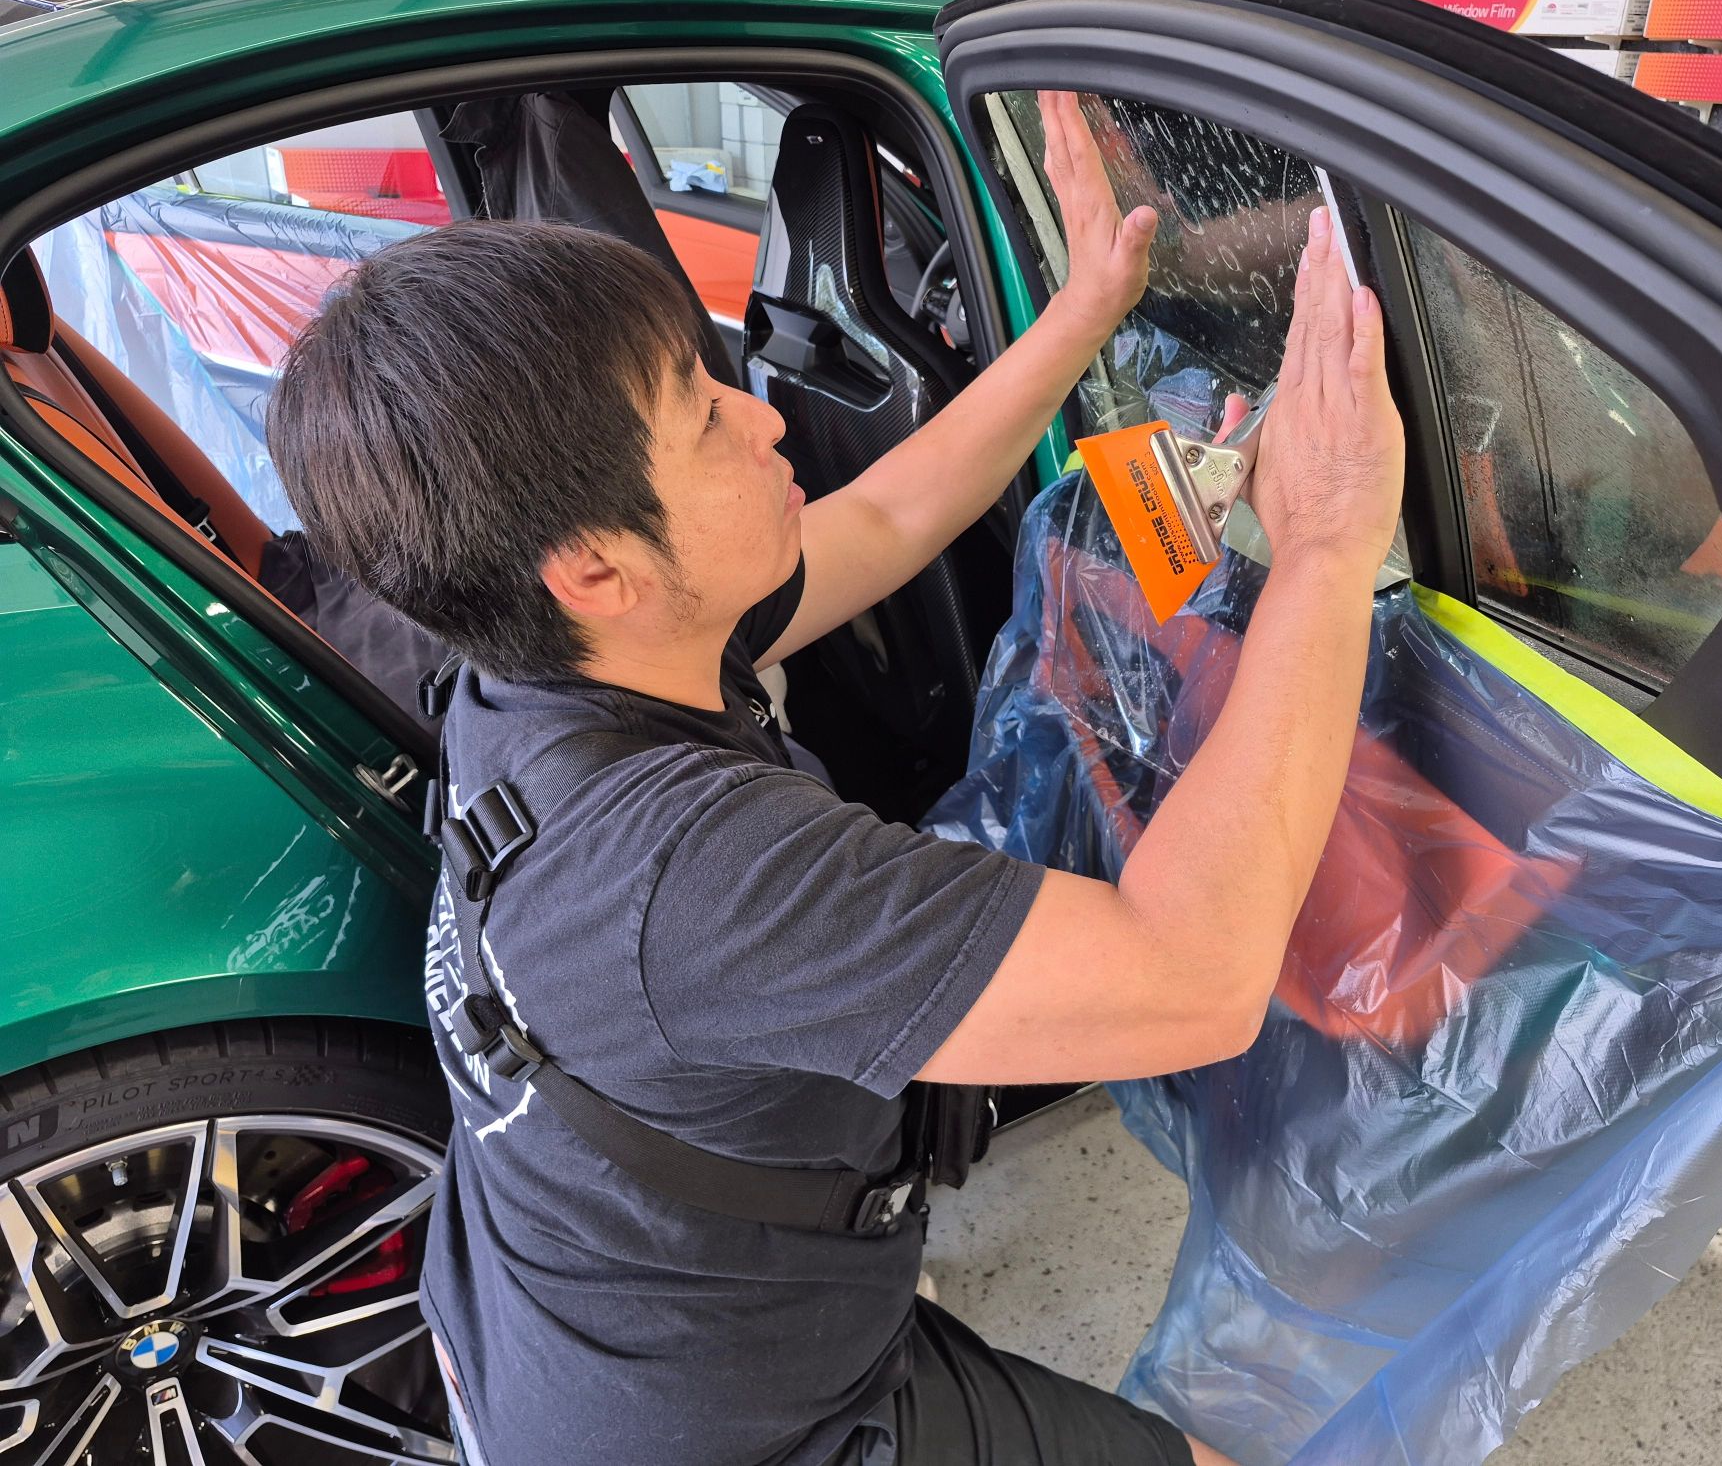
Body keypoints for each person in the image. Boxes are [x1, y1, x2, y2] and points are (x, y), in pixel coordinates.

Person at [266, 90, 1404, 1466]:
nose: (762, 420)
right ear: (598, 571)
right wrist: (1328, 550)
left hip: (626, 1317)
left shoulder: (548, 670)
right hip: (729, 1433)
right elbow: (1196, 975)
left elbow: (888, 514)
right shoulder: (697, 879)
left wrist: (1086, 309)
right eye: (702, 419)